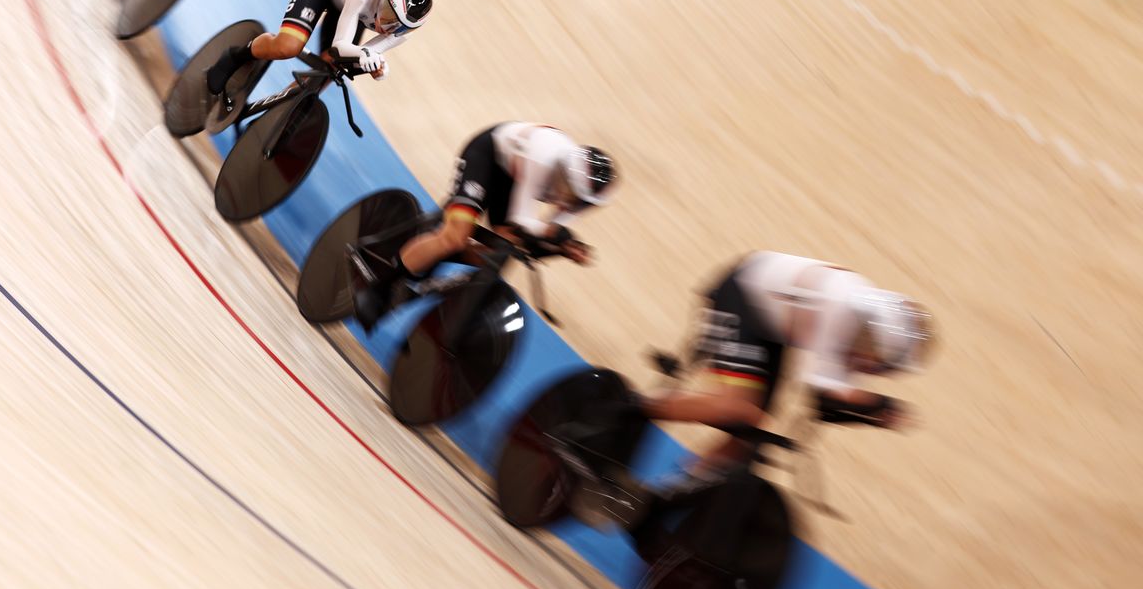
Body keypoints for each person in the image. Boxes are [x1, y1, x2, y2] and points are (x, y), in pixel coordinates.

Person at [639, 251, 936, 487]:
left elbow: (826, 404)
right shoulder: (837, 310)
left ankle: (681, 486)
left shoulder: (863, 321)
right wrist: (881, 406)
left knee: (751, 434)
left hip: (772, 321)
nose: (870, 367)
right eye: (878, 362)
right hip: (741, 296)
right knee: (737, 409)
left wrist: (872, 412)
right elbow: (827, 394)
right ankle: (631, 408)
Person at [353, 121, 617, 330]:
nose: (572, 203)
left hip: (514, 182)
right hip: (487, 158)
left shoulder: (581, 198)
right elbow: (522, 218)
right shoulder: (543, 157)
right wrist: (556, 235)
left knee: (499, 255)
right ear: (563, 174)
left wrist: (561, 246)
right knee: (455, 236)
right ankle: (378, 290)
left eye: (581, 202)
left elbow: (547, 232)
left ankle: (428, 255)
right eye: (572, 194)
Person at [205, 0, 432, 91]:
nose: (389, 27)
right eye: (389, 15)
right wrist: (365, 55)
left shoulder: (402, 28)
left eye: (398, 26)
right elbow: (340, 45)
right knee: (287, 47)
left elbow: (369, 52)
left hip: (351, 11)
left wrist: (377, 67)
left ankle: (280, 115)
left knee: (331, 71)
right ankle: (235, 56)